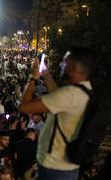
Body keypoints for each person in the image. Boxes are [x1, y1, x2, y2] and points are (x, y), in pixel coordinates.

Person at [18, 47, 96, 179]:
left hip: (55, 168)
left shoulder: (69, 95)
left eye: (64, 62)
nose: (61, 65)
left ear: (73, 68)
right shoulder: (85, 91)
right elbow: (57, 96)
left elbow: (24, 107)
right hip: (66, 166)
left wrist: (33, 78)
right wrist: (46, 74)